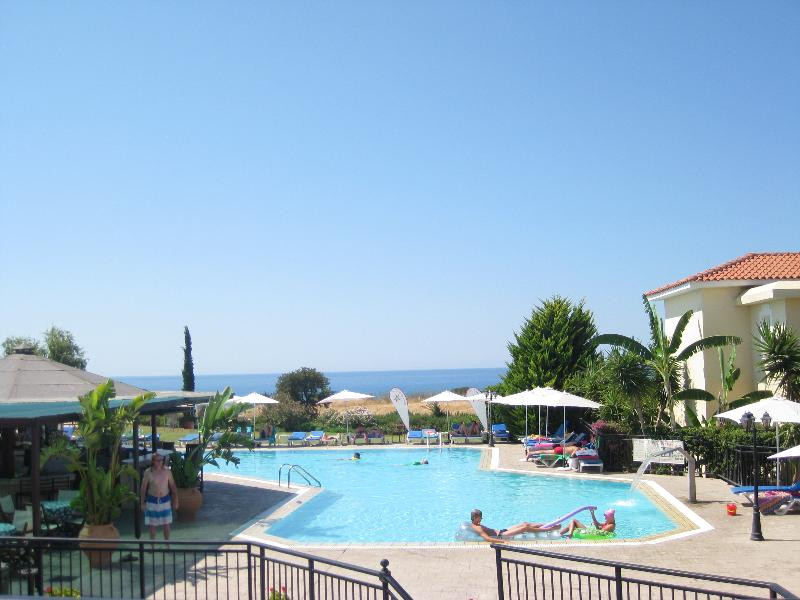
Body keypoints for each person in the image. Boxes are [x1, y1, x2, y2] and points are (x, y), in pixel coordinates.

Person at [140, 453, 179, 540]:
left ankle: (167, 544)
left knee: (166, 525)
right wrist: (142, 503)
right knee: (152, 526)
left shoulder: (167, 471)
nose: (160, 462)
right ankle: (153, 545)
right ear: (153, 461)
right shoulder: (148, 472)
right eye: (158, 460)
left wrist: (176, 500)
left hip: (165, 500)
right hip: (152, 501)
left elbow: (173, 486)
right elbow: (143, 488)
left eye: (162, 460)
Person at [469, 509, 549, 543]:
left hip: (501, 531)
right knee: (525, 528)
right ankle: (548, 529)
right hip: (501, 535)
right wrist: (504, 541)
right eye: (480, 518)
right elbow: (487, 539)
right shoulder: (477, 528)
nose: (481, 519)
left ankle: (547, 524)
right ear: (475, 518)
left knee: (525, 523)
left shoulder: (476, 524)